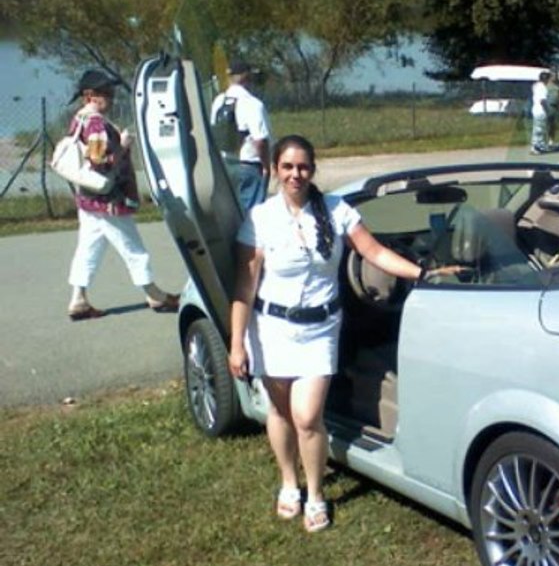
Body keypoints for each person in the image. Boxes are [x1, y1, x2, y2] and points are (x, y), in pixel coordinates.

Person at [228, 135, 458, 533]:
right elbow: (244, 287)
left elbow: (375, 253)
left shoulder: (336, 210)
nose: (295, 174)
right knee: (280, 411)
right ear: (275, 171)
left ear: (313, 170)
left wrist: (422, 273)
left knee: (307, 416)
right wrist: (236, 344)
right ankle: (289, 483)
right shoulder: (260, 218)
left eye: (302, 167)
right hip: (271, 328)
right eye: (287, 167)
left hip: (320, 328)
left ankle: (316, 494)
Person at [65, 69, 179, 321]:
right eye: (106, 93)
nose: (112, 97)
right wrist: (124, 146)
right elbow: (98, 160)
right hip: (107, 199)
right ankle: (154, 294)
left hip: (88, 198)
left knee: (88, 248)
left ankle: (78, 299)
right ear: (89, 96)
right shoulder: (95, 122)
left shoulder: (79, 119)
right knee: (133, 247)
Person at [210, 59, 271, 210]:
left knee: (233, 214)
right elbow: (260, 140)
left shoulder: (218, 101)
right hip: (249, 165)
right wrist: (266, 166)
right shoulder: (252, 104)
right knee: (252, 216)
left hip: (226, 165)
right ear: (247, 77)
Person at [529, 70, 550, 154]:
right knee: (539, 129)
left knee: (539, 128)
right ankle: (535, 147)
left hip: (535, 109)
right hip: (541, 110)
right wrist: (547, 109)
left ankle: (540, 145)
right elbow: (543, 100)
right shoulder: (543, 87)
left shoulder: (536, 86)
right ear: (546, 79)